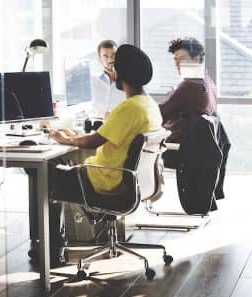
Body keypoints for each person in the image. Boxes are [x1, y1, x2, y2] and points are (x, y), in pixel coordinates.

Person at [43, 44, 163, 265]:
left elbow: (93, 141)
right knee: (64, 165)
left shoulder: (129, 108)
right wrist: (73, 137)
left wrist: (65, 139)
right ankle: (63, 239)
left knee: (45, 172)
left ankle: (50, 250)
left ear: (120, 73)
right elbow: (104, 136)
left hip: (104, 180)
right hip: (129, 181)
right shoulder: (149, 105)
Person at [160, 37, 219, 149]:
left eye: (182, 59)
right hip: (196, 149)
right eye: (175, 59)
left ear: (196, 59)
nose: (177, 64)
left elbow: (162, 113)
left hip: (180, 149)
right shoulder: (208, 82)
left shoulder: (190, 86)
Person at [90, 39, 126, 117]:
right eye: (105, 56)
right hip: (97, 124)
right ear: (100, 60)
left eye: (114, 55)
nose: (110, 59)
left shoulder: (128, 84)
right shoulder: (93, 82)